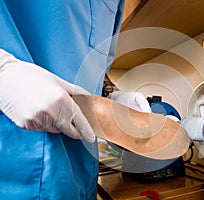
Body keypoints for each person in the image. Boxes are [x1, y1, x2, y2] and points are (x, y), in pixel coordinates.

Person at [0, 0, 146, 199]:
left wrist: (110, 97)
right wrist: (4, 72)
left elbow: (91, 66)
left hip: (79, 177)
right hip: (12, 171)